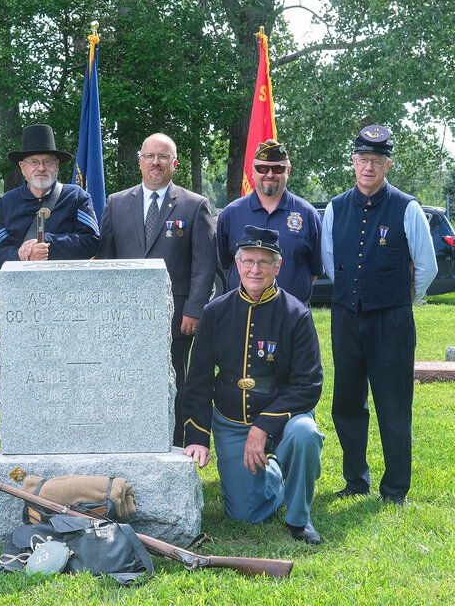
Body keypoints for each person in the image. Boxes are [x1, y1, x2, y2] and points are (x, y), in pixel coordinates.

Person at [182, 226, 324, 544]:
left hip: (285, 420)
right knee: (246, 514)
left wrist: (263, 427)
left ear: (278, 266)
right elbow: (199, 380)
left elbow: (309, 384)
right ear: (237, 264)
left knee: (306, 434)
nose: (255, 269)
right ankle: (274, 475)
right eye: (248, 261)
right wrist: (198, 436)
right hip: (232, 422)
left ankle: (299, 516)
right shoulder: (215, 312)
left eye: (263, 261)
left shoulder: (296, 314)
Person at [321, 125, 437, 505]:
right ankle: (356, 479)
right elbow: (328, 262)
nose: (368, 167)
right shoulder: (336, 208)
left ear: (387, 164)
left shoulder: (407, 207)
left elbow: (426, 267)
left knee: (393, 403)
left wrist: (401, 300)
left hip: (392, 320)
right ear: (353, 163)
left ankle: (395, 488)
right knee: (347, 401)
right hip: (346, 317)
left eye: (375, 161)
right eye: (362, 160)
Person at [97, 132, 216, 447]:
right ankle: (130, 442)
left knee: (174, 383)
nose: (156, 162)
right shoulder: (117, 203)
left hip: (175, 318)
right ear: (140, 161)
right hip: (124, 318)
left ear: (174, 163)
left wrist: (193, 310)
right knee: (127, 383)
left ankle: (174, 446)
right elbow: (106, 262)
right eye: (150, 156)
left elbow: (204, 265)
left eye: (163, 156)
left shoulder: (195, 206)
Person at [217, 139, 322, 302]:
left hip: (292, 318)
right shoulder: (230, 214)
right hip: (242, 315)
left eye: (278, 168)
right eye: (262, 168)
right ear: (252, 171)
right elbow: (227, 264)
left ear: (289, 171)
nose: (270, 174)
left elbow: (314, 269)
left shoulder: (308, 214)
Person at [0, 124, 99, 268]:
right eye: (34, 162)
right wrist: (27, 255)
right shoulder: (6, 203)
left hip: (68, 284)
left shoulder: (76, 196)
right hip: (22, 286)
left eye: (47, 161)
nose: (41, 168)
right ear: (22, 167)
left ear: (57, 165)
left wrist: (45, 243)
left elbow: (92, 241)